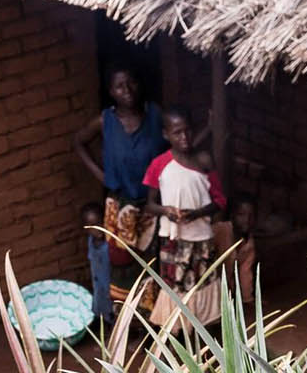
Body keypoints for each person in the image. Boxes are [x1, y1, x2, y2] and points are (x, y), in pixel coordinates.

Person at [142, 107, 227, 328]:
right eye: (177, 133)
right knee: (175, 288)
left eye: (188, 131)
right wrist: (167, 211)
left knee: (204, 285)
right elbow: (149, 205)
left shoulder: (204, 160)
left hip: (202, 238)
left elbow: (220, 201)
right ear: (166, 135)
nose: (184, 138)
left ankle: (203, 335)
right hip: (173, 240)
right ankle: (177, 336)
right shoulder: (159, 165)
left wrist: (196, 214)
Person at [74, 68, 164, 271]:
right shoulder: (105, 121)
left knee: (155, 262)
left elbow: (178, 139)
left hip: (154, 203)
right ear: (111, 92)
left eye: (131, 83)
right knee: (123, 264)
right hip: (120, 204)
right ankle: (128, 303)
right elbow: (79, 142)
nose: (127, 90)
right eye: (119, 86)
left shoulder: (154, 115)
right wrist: (101, 175)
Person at [83, 198, 113, 328]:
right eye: (93, 227)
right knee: (100, 308)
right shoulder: (91, 241)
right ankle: (104, 328)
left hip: (110, 286)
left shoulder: (109, 245)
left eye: (100, 224)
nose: (98, 229)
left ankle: (113, 335)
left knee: (113, 312)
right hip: (98, 285)